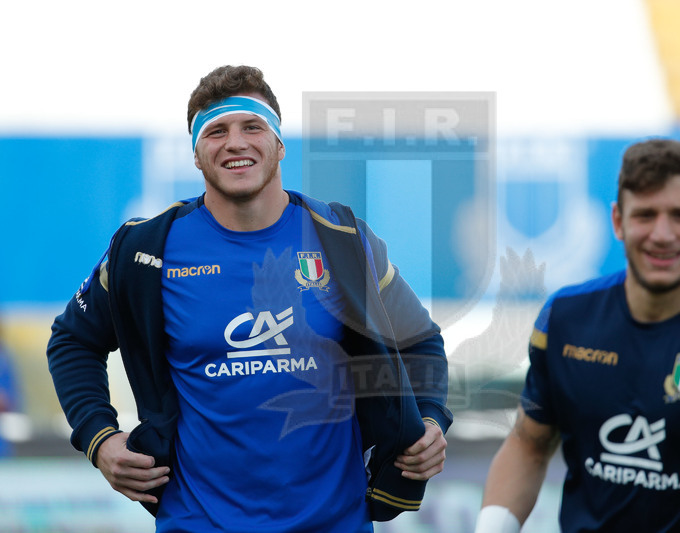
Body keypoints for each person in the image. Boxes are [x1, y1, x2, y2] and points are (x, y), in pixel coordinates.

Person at [46, 65, 452, 532]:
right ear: (196, 154)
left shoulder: (341, 239)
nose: (235, 143)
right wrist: (99, 438)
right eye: (216, 131)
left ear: (279, 143)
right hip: (197, 523)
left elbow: (420, 340)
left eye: (252, 127)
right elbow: (72, 341)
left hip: (334, 522)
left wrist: (430, 419)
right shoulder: (145, 250)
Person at [476, 138, 680, 532]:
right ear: (618, 221)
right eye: (645, 214)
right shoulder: (565, 318)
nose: (662, 234)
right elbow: (528, 444)